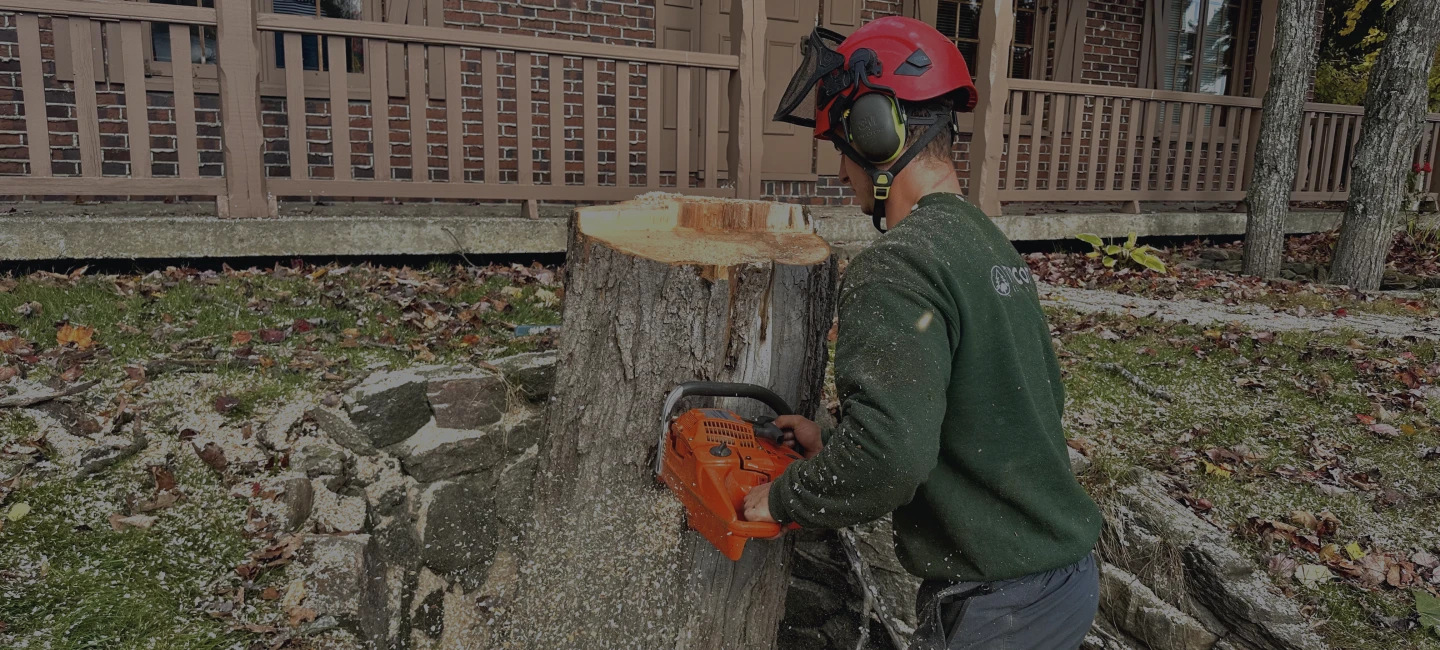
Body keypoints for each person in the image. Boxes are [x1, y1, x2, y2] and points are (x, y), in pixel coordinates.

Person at [744, 16, 1102, 650]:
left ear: (874, 132)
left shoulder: (898, 264)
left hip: (998, 609)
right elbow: (990, 409)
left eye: (841, 150)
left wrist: (781, 500)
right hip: (1062, 583)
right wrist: (831, 441)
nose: (842, 175)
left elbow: (890, 460)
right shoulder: (986, 244)